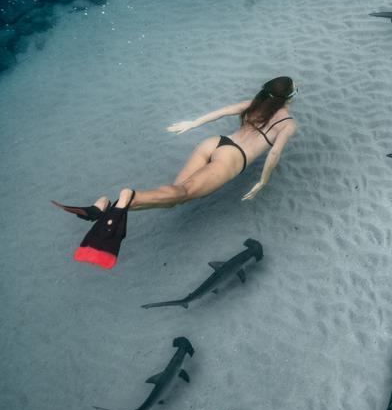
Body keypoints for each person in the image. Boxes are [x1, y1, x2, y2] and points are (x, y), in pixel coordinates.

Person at [53, 76, 298, 268]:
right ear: (288, 97)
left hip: (215, 142)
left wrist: (192, 124)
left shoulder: (254, 104)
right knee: (183, 194)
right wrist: (262, 182)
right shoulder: (287, 124)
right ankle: (129, 195)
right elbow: (274, 154)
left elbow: (223, 111)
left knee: (174, 197)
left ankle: (106, 206)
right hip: (232, 159)